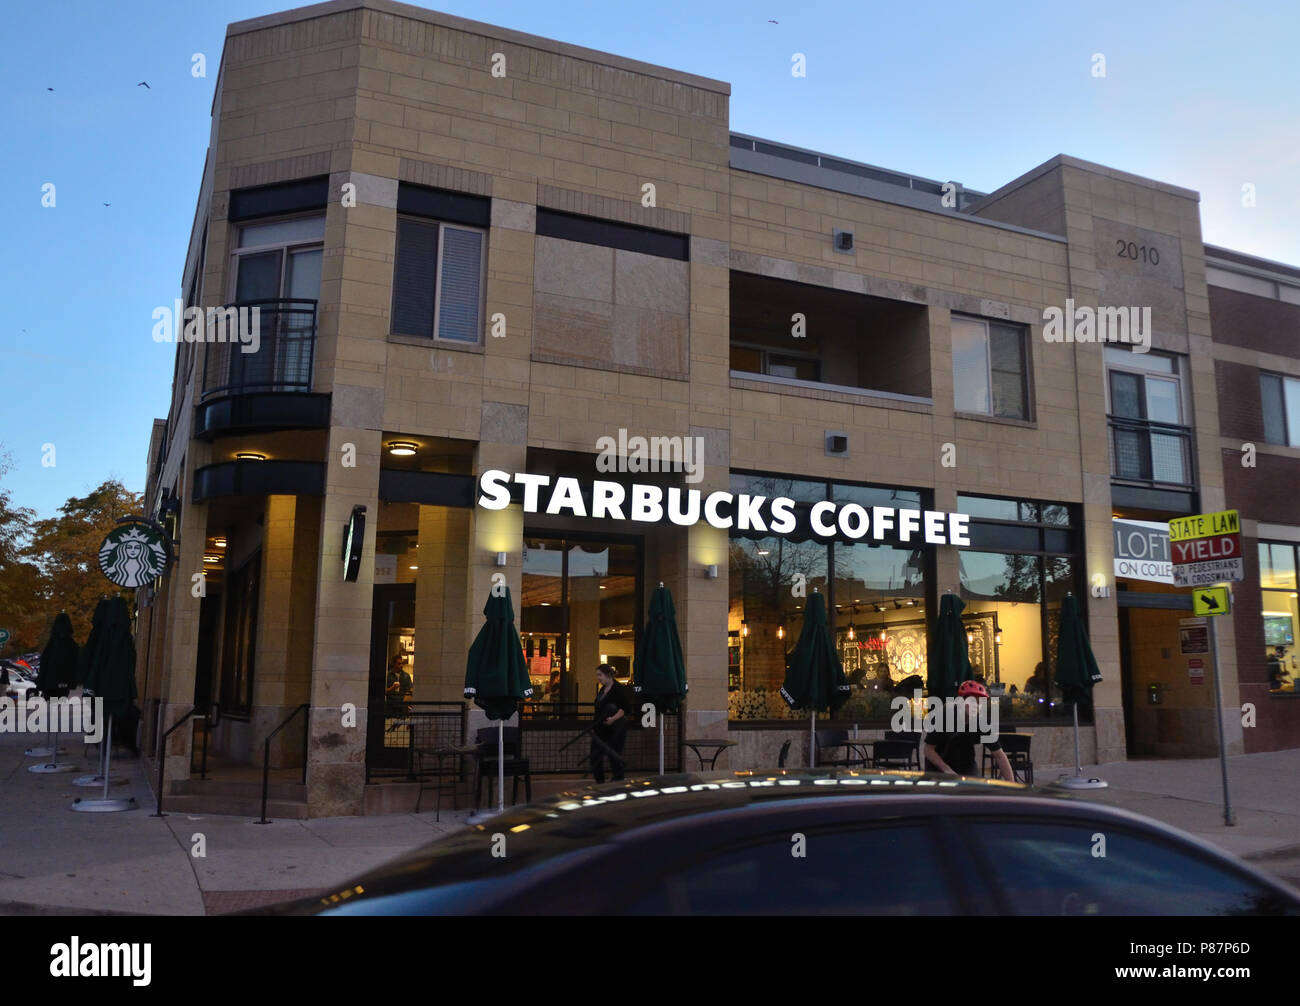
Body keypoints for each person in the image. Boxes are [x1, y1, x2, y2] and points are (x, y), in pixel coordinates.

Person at [924, 680, 1014, 781]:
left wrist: (1012, 786)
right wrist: (947, 770)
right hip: (939, 766)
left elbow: (1000, 756)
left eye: (980, 703)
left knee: (975, 786)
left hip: (966, 765)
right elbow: (928, 750)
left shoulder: (982, 722)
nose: (976, 706)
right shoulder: (944, 716)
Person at [590, 663, 633, 784]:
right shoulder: (602, 689)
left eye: (600, 675)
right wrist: (595, 725)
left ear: (608, 675)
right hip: (601, 728)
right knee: (595, 757)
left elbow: (625, 708)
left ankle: (617, 782)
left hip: (615, 729)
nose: (598, 678)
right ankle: (600, 783)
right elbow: (598, 709)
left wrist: (613, 719)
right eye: (597, 675)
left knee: (614, 757)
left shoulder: (618, 689)